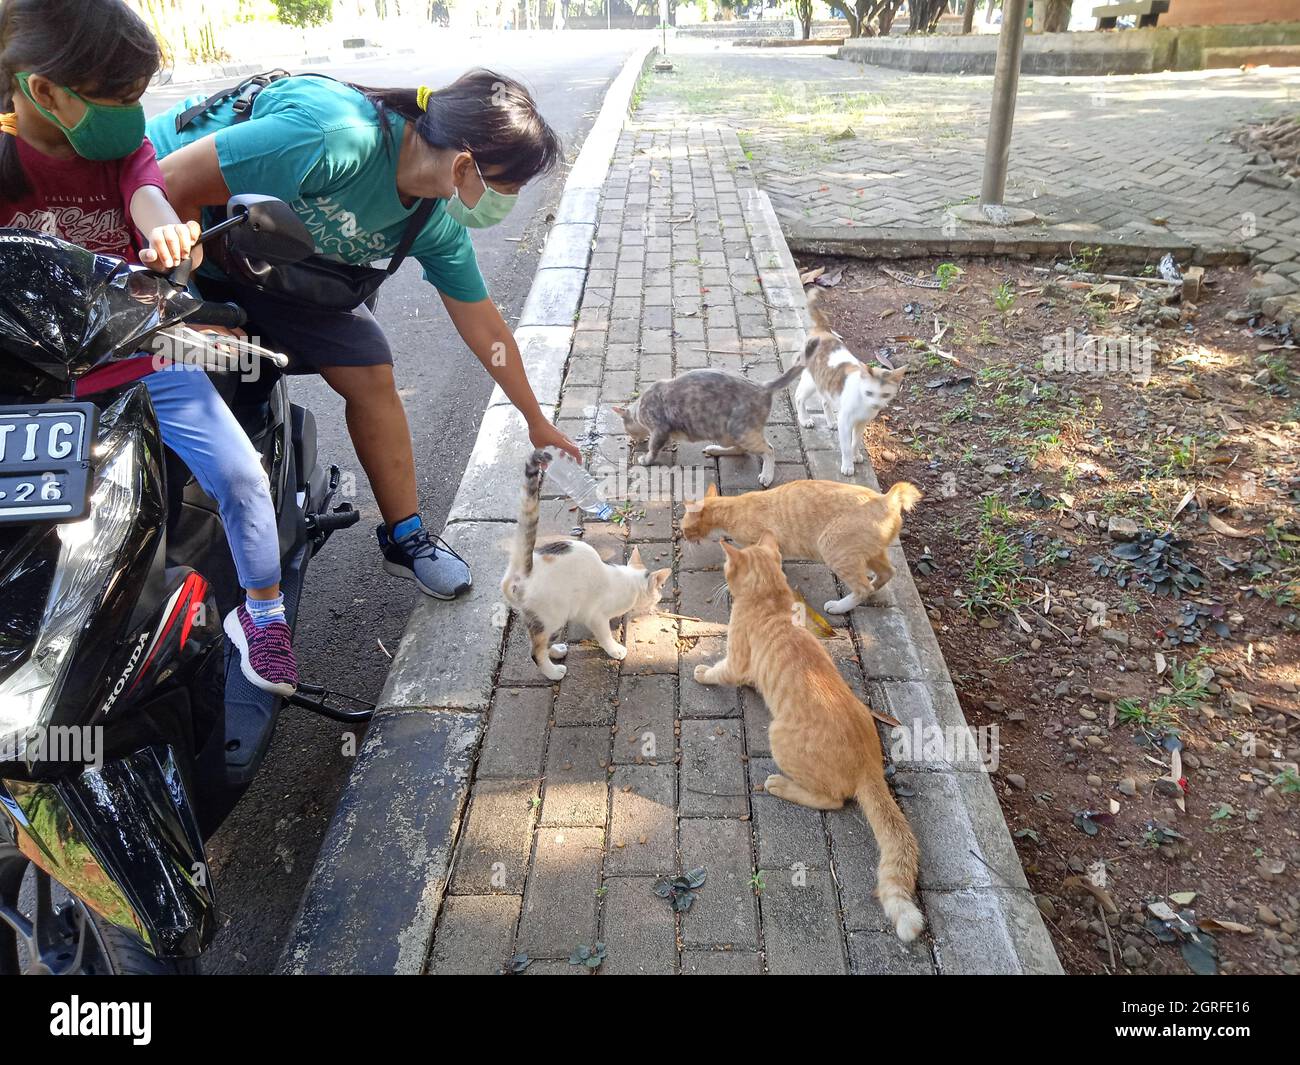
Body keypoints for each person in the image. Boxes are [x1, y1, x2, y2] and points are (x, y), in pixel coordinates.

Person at [149, 69, 581, 601]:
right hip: (173, 235)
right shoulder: (334, 137)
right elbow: (170, 184)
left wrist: (535, 420)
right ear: (465, 165)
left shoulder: (432, 220)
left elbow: (486, 328)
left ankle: (407, 536)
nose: (503, 203)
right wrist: (182, 307)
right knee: (173, 373)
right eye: (505, 188)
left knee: (372, 370)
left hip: (271, 263)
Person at [0, 0, 298, 696]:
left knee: (241, 477)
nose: (135, 113)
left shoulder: (120, 153)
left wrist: (167, 236)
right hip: (33, 382)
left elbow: (150, 201)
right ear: (44, 92)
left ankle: (263, 615)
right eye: (119, 97)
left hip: (144, 357)